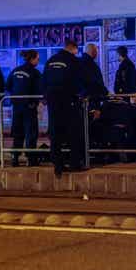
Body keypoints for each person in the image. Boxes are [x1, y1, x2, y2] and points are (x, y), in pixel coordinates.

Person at [43, 40, 100, 176]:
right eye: (77, 50)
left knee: (55, 134)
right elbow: (83, 81)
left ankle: (58, 166)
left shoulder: (50, 61)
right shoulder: (73, 61)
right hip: (69, 101)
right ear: (73, 49)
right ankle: (75, 163)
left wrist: (46, 97)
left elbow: (44, 81)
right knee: (74, 132)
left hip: (53, 102)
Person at [6, 49, 43, 167]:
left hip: (17, 107)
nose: (38, 60)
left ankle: (15, 158)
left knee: (18, 133)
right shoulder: (35, 73)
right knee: (31, 133)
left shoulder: (15, 71)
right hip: (29, 107)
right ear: (32, 59)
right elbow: (39, 89)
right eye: (37, 58)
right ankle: (31, 159)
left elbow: (8, 86)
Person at [81, 44, 108, 112]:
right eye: (96, 51)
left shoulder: (79, 62)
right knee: (93, 120)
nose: (97, 54)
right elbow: (94, 81)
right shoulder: (90, 64)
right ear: (92, 52)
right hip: (92, 98)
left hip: (84, 97)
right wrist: (105, 92)